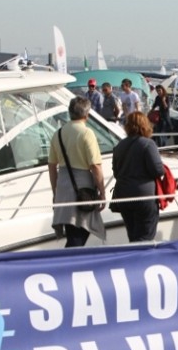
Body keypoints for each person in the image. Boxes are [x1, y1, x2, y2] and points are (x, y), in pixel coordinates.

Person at [48, 96, 106, 247]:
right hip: (83, 187)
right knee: (81, 232)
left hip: (63, 186)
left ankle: (70, 262)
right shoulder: (87, 133)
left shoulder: (58, 133)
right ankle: (68, 265)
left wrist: (55, 192)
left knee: (72, 231)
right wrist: (102, 191)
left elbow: (52, 165)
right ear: (87, 114)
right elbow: (95, 166)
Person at [112, 112, 165, 242]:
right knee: (145, 237)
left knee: (133, 236)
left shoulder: (119, 146)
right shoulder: (148, 144)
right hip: (143, 195)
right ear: (145, 125)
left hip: (123, 195)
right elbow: (158, 170)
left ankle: (133, 259)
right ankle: (142, 261)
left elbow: (116, 172)